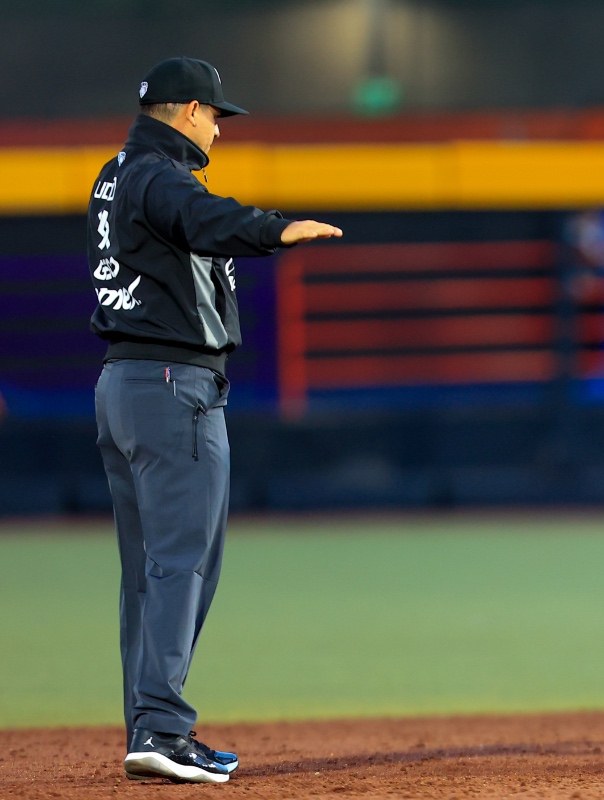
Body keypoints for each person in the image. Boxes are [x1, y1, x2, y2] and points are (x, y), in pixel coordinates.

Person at [88, 57, 342, 784]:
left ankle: (148, 725)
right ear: (189, 110)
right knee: (183, 564)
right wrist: (274, 229)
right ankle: (162, 728)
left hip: (123, 384)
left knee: (148, 572)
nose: (219, 129)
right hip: (173, 388)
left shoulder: (116, 173)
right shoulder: (159, 173)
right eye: (216, 115)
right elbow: (203, 218)